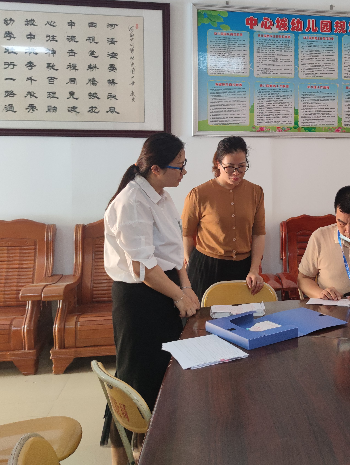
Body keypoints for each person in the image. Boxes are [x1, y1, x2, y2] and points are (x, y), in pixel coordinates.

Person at [102, 132, 200, 464]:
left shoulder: (162, 195)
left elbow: (173, 252)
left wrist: (186, 287)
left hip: (164, 289)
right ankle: (122, 454)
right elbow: (143, 269)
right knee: (134, 378)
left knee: (164, 373)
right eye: (179, 166)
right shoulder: (132, 202)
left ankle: (154, 447)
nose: (184, 172)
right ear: (156, 168)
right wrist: (179, 295)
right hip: (140, 301)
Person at [182, 136, 265, 302]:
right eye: (230, 167)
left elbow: (258, 233)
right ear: (218, 164)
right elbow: (187, 233)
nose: (236, 173)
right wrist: (190, 263)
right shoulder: (199, 194)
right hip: (206, 267)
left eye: (241, 167)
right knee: (203, 316)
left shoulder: (255, 192)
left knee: (242, 315)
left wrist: (254, 269)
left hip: (242, 267)